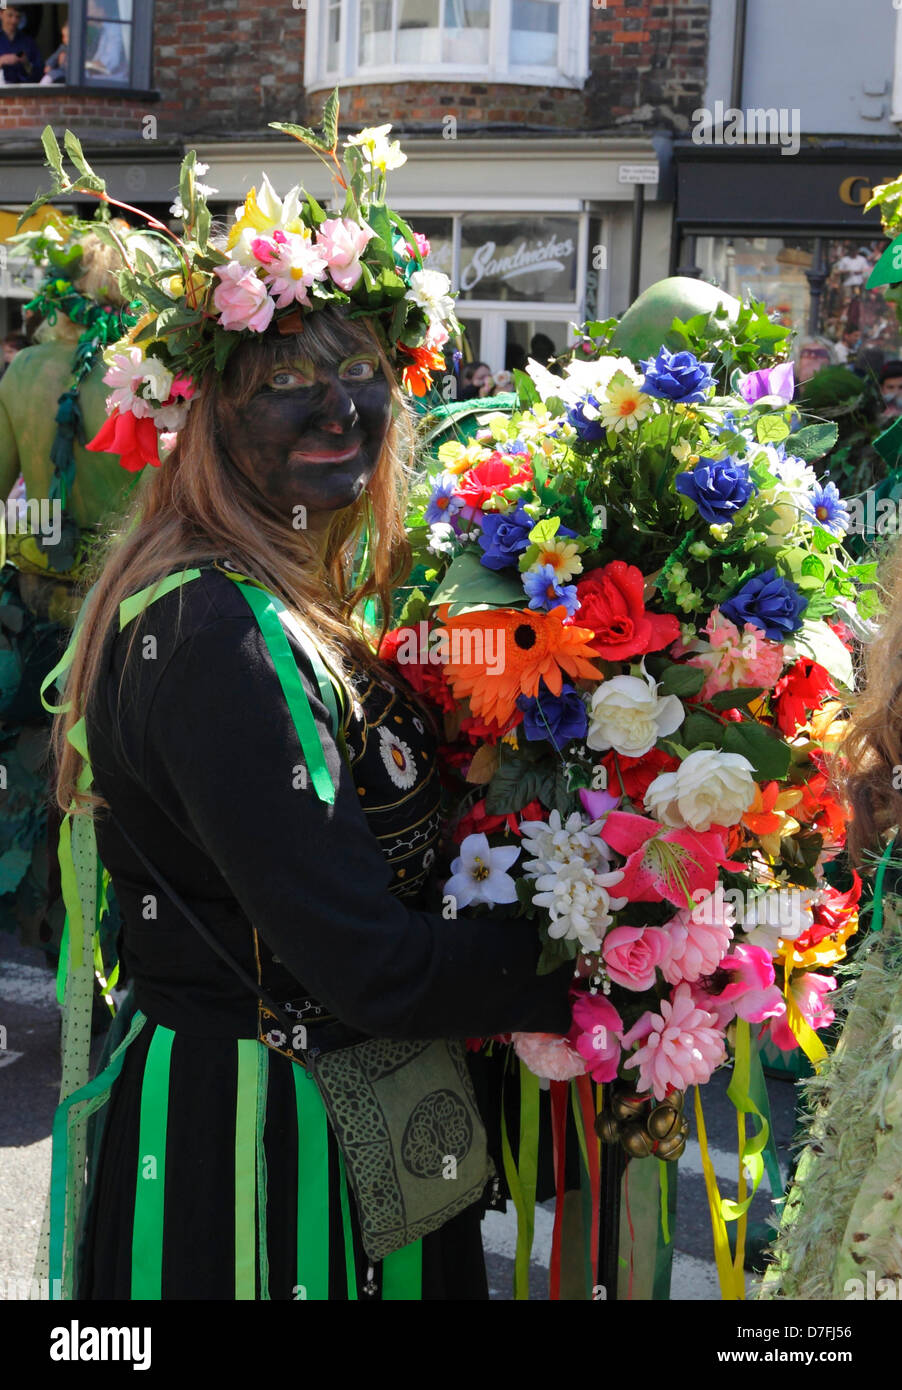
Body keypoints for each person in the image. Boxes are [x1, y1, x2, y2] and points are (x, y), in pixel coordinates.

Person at [44, 128, 574, 1301]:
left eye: (361, 376)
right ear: (209, 416)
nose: (337, 411)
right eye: (283, 383)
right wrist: (589, 957)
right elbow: (365, 967)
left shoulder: (288, 594)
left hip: (362, 1118)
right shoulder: (219, 632)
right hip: (264, 1141)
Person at [0, 5, 42, 83]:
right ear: (1, 14)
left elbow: (39, 75)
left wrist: (26, 63)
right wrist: (1, 61)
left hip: (23, 91)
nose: (14, 21)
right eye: (10, 15)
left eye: (18, 17)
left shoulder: (28, 42)